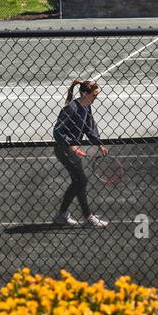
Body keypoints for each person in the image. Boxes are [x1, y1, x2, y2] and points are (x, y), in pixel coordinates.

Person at [52, 79, 109, 227]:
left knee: (79, 181)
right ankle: (86, 216)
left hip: (72, 150)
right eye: (94, 95)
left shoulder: (87, 107)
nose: (96, 98)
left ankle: (63, 215)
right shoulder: (71, 108)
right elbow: (57, 131)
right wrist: (71, 145)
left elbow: (89, 128)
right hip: (63, 150)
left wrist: (98, 143)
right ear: (84, 93)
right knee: (81, 181)